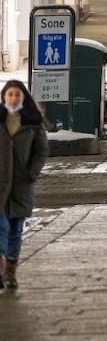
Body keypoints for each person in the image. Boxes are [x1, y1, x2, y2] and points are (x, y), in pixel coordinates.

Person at [0, 80, 49, 289]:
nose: (13, 98)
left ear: (23, 98)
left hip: (21, 184)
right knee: (0, 227)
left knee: (15, 229)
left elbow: (41, 150)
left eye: (17, 95)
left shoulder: (32, 122)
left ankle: (10, 271)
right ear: (4, 97)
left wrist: (32, 173)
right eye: (10, 94)